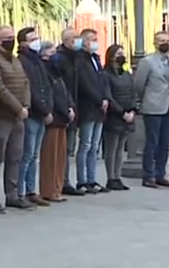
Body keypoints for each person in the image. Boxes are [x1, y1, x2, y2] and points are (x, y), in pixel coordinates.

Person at [0, 25, 32, 211]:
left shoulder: (15, 60)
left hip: (18, 117)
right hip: (1, 117)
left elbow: (25, 82)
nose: (11, 40)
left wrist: (25, 105)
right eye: (7, 37)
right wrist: (18, 108)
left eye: (12, 36)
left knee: (15, 157)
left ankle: (13, 194)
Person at [133, 31, 169, 188]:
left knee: (165, 142)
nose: (164, 43)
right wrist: (145, 99)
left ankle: (160, 174)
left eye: (167, 40)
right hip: (152, 106)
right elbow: (139, 84)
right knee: (152, 142)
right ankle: (148, 176)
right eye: (161, 40)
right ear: (155, 43)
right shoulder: (148, 62)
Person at [73, 28, 114, 194]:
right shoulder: (80, 60)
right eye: (91, 39)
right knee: (86, 144)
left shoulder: (96, 59)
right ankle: (82, 180)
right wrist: (98, 99)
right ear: (83, 41)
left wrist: (105, 98)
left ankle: (92, 179)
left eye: (96, 38)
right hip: (88, 107)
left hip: (100, 108)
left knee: (95, 146)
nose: (94, 42)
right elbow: (85, 84)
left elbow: (102, 80)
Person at [16, 27, 53, 206]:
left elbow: (46, 85)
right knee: (27, 154)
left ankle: (32, 190)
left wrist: (49, 108)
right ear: (23, 43)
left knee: (34, 155)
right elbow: (29, 89)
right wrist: (43, 110)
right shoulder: (23, 61)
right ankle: (20, 191)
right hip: (32, 113)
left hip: (42, 113)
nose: (36, 42)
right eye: (32, 39)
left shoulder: (38, 61)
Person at [38, 41, 75, 202]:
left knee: (60, 156)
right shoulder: (45, 71)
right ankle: (48, 190)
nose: (56, 56)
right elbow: (52, 95)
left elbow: (65, 93)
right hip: (54, 118)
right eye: (52, 53)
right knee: (50, 157)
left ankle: (57, 188)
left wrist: (71, 107)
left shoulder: (57, 73)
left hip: (63, 118)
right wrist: (64, 110)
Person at [54, 28, 84, 196]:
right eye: (75, 38)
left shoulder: (77, 58)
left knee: (70, 147)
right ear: (66, 40)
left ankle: (65, 180)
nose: (78, 41)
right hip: (64, 109)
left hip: (75, 107)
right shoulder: (60, 59)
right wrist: (67, 106)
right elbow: (61, 86)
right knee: (62, 148)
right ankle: (61, 181)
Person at [102, 44, 137, 190]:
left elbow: (133, 93)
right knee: (112, 148)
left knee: (120, 149)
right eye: (118, 53)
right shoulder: (106, 75)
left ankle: (118, 176)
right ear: (111, 57)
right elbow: (108, 96)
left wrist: (133, 111)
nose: (121, 56)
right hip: (114, 116)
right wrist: (122, 112)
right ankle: (110, 177)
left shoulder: (127, 74)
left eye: (122, 53)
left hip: (127, 114)